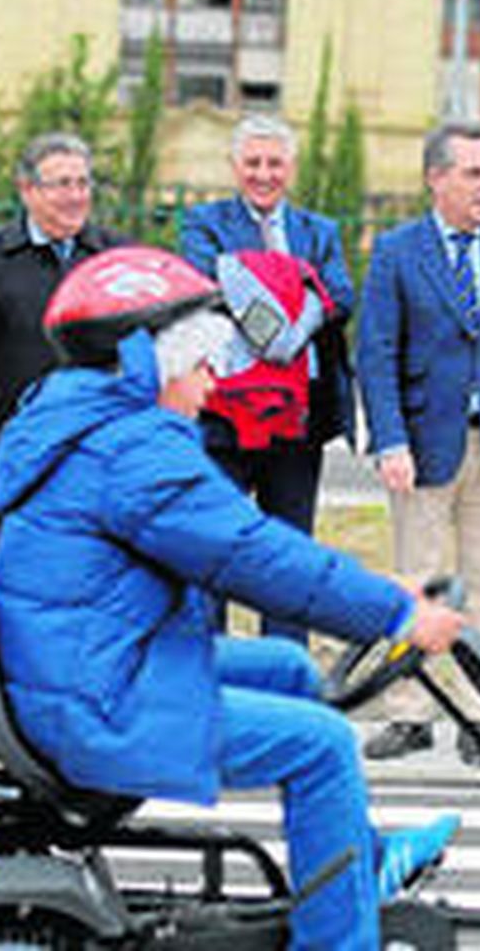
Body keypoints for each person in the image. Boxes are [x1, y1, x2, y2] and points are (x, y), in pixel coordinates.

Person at [0, 246, 464, 951]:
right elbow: (251, 556)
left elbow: (249, 544)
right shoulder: (133, 450)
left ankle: (359, 862)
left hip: (80, 666)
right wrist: (394, 615)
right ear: (153, 361)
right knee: (326, 745)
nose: (215, 382)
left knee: (291, 669)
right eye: (204, 361)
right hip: (95, 699)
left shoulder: (80, 420)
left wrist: (377, 593)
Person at [356, 120, 480, 765]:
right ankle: (410, 715)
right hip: (421, 447)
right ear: (435, 178)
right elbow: (376, 354)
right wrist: (389, 440)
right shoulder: (397, 252)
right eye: (473, 173)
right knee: (417, 582)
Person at [180, 114, 358, 644]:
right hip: (222, 419)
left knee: (287, 553)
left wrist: (294, 328)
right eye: (253, 162)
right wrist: (275, 334)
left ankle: (284, 673)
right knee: (215, 546)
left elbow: (341, 296)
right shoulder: (204, 222)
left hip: (298, 423)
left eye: (274, 162)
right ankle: (210, 671)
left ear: (291, 167)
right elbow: (206, 285)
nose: (264, 173)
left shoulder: (318, 231)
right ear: (235, 167)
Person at [0, 132, 126, 570]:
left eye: (82, 183)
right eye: (61, 185)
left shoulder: (117, 257)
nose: (75, 197)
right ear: (27, 189)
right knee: (10, 571)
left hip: (96, 447)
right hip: (12, 448)